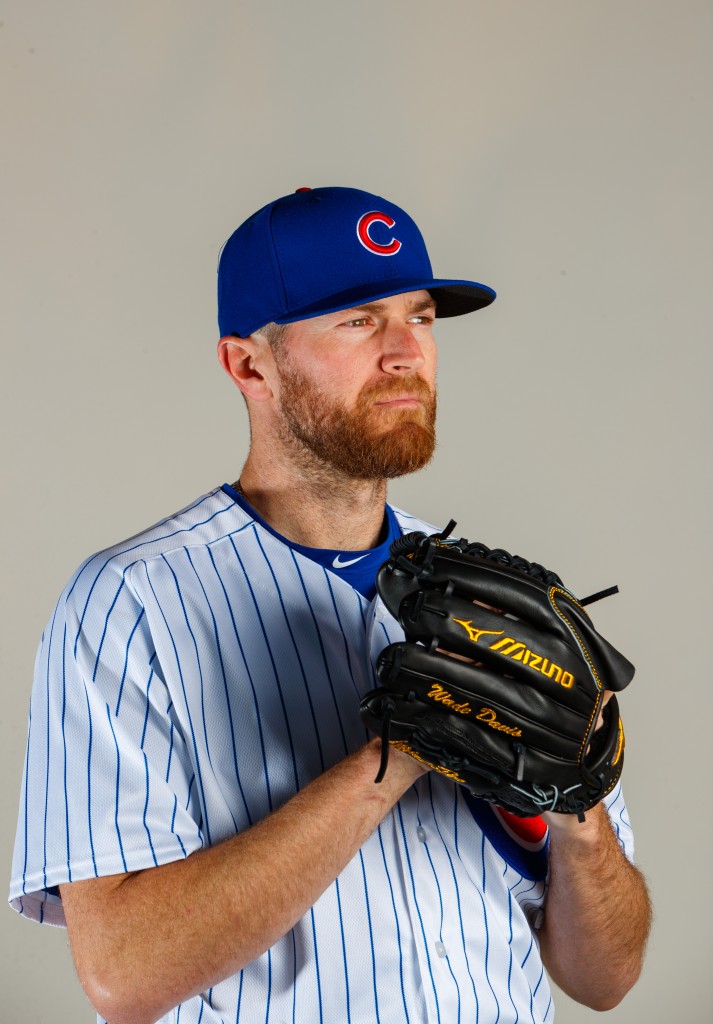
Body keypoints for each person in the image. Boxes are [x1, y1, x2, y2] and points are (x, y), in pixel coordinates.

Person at [9, 186, 651, 1024]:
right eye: (356, 320)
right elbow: (125, 976)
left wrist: (579, 809)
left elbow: (605, 980)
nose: (403, 353)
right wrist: (398, 756)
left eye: (418, 317)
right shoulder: (131, 603)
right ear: (249, 365)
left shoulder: (502, 608)